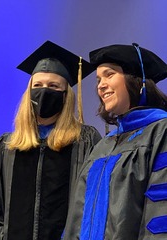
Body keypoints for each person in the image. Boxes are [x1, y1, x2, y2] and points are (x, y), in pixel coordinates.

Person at [0, 40, 102, 240]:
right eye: (37, 85)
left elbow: (94, 203)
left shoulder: (85, 141)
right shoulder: (8, 146)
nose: (44, 91)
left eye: (53, 86)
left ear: (66, 95)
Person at [63, 43, 167, 240]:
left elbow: (161, 216)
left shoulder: (161, 132)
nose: (100, 85)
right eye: (98, 79)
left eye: (109, 74)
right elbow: (77, 218)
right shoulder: (103, 145)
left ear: (137, 80)